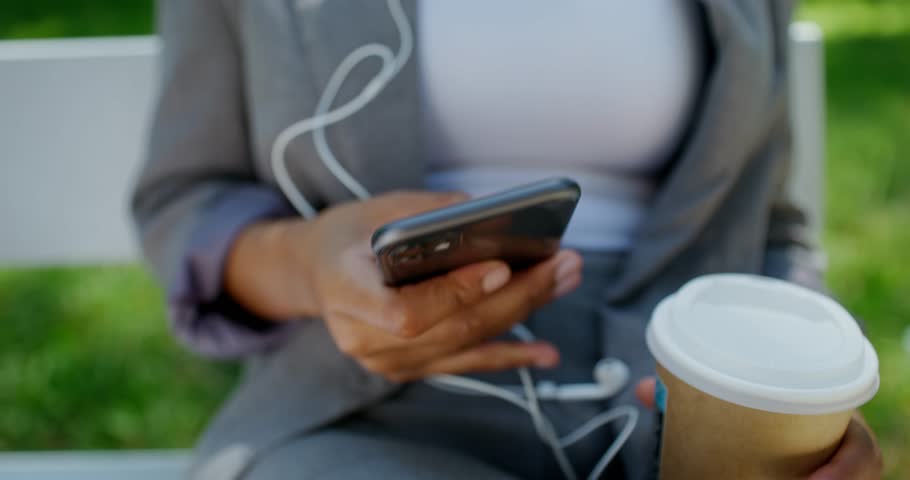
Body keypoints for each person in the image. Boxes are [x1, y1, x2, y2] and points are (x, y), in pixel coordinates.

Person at [131, 1, 882, 479]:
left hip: (695, 420)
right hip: (368, 412)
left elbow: (767, 223)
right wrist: (309, 263)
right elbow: (185, 204)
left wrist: (800, 409)